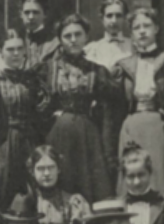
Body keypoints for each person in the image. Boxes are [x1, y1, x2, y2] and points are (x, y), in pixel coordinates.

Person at [38, 14, 119, 201]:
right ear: (60, 39)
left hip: (87, 135)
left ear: (86, 37)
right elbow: (36, 108)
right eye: (67, 36)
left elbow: (108, 112)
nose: (73, 40)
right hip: (57, 134)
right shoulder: (47, 69)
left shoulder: (97, 71)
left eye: (78, 34)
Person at [113, 8, 164, 193]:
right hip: (131, 129)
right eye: (136, 28)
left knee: (159, 180)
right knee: (131, 180)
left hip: (159, 129)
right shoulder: (124, 66)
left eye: (147, 26)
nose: (142, 31)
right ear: (131, 33)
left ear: (156, 28)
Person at [0, 29, 49, 216]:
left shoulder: (31, 78)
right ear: (0, 51)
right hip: (1, 144)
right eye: (10, 49)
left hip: (29, 143)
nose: (16, 53)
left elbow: (40, 115)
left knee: (33, 192)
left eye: (20, 49)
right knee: (0, 193)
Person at [26, 146, 91, 224]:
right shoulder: (27, 202)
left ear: (58, 169)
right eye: (41, 169)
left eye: (51, 167)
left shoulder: (72, 202)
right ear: (32, 171)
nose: (47, 173)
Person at [84, 0, 133, 70]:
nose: (114, 21)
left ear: (124, 18)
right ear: (102, 18)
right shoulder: (92, 49)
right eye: (109, 16)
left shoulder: (134, 47)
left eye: (118, 16)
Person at [19, 0, 59, 69]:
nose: (31, 17)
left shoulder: (55, 42)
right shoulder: (16, 39)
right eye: (27, 12)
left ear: (45, 13)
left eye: (35, 12)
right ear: (21, 14)